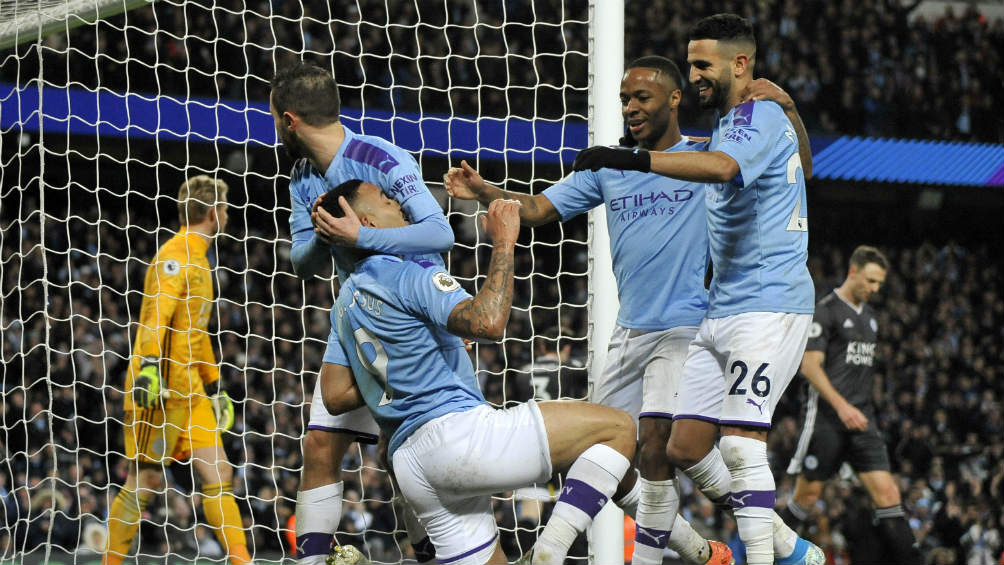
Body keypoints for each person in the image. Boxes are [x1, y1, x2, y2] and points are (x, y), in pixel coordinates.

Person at [446, 55, 817, 565]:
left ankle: (553, 553)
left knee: (659, 445)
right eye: (624, 99)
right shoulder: (609, 169)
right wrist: (487, 192)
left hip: (687, 328)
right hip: (629, 332)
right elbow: (537, 209)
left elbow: (792, 169)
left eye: (641, 97)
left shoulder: (704, 157)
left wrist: (790, 111)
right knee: (603, 453)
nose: (630, 108)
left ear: (675, 98)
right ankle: (728, 547)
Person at [572, 14, 822, 565]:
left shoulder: (750, 120)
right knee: (684, 448)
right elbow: (800, 167)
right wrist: (794, 112)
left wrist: (632, 158)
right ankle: (788, 546)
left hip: (769, 303)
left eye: (704, 65)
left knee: (737, 442)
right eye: (690, 64)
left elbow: (722, 168)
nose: (695, 76)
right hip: (723, 306)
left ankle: (769, 557)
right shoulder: (745, 121)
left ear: (740, 64)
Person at [317, 182, 637, 565]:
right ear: (366, 222)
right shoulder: (410, 271)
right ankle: (549, 552)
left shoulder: (344, 302)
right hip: (458, 437)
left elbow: (334, 396)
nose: (399, 204)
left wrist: (416, 355)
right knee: (618, 429)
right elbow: (488, 321)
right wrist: (504, 241)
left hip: (411, 465)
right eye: (386, 200)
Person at [269, 62, 450, 565]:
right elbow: (301, 262)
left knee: (403, 450)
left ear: (288, 119)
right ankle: (311, 559)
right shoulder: (302, 175)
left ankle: (432, 553)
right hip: (355, 313)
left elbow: (440, 235)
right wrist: (320, 234)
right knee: (322, 443)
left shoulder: (380, 157)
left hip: (411, 310)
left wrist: (358, 236)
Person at [103, 175, 252, 565]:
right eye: (223, 206)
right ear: (209, 213)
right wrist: (149, 370)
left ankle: (241, 560)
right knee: (146, 481)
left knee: (220, 475)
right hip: (161, 387)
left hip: (192, 390)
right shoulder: (175, 256)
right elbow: (155, 319)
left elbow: (196, 332)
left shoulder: (201, 258)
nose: (227, 213)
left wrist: (215, 384)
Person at [783, 246, 922, 564]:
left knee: (888, 497)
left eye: (879, 284)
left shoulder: (870, 319)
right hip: (827, 419)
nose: (874, 289)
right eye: (870, 281)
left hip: (862, 420)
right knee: (807, 497)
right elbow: (809, 367)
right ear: (853, 272)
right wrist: (843, 407)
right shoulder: (826, 310)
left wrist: (858, 408)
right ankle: (758, 555)